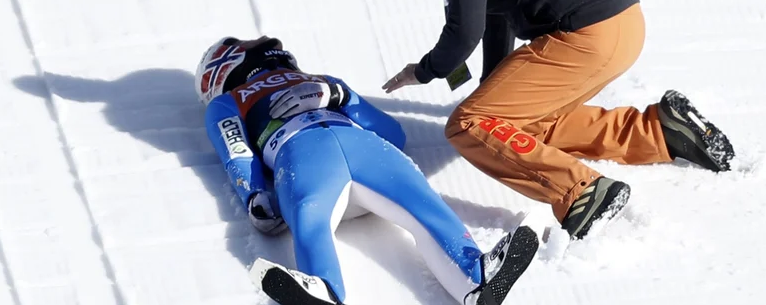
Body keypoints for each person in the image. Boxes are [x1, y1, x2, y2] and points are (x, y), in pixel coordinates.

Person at [365, 0, 735, 239]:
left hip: (589, 33)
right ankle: (659, 132)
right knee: (514, 124)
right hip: (622, 24)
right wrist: (490, 86)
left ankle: (581, 193)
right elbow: (496, 15)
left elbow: (464, 32)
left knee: (469, 124)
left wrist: (425, 71)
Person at [197, 36, 539, 305]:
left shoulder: (323, 81)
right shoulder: (229, 100)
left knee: (418, 200)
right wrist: (253, 192)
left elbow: (392, 132)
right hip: (303, 152)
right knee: (310, 215)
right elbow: (236, 150)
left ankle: (477, 278)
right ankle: (324, 288)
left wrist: (340, 94)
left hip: (338, 152)